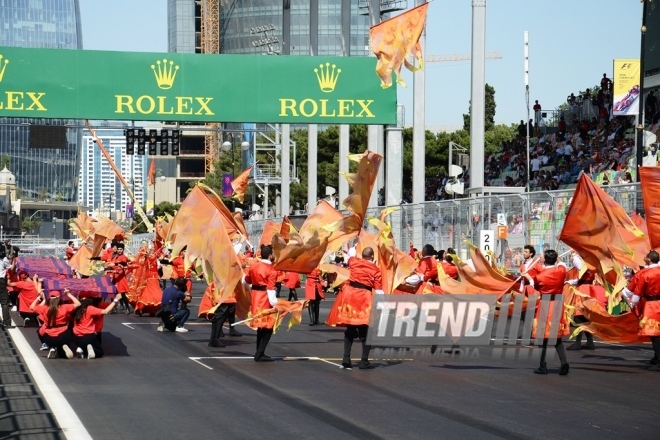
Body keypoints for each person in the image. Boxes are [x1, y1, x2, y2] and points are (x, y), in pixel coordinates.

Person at [521, 249, 569, 375]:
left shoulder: (540, 276)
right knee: (556, 336)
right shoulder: (561, 270)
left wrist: (527, 276)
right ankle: (564, 362)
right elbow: (562, 264)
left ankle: (543, 366)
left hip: (546, 304)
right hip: (558, 304)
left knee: (542, 336)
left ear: (545, 260)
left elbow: (535, 286)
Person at [334, 247, 383, 370]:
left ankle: (346, 358)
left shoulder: (353, 261)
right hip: (364, 298)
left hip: (351, 296)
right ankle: (364, 361)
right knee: (366, 331)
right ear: (372, 257)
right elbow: (379, 289)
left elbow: (350, 255)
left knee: (350, 329)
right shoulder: (376, 270)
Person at [245, 245, 279, 362]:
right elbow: (270, 289)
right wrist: (275, 303)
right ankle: (259, 353)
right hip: (264, 298)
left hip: (255, 296)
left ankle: (259, 352)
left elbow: (246, 280)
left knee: (261, 326)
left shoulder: (254, 266)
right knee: (268, 326)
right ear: (270, 255)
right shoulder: (271, 270)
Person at [629, 250, 660, 371]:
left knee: (655, 334)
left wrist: (632, 303)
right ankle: (656, 358)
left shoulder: (645, 273)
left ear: (648, 259)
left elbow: (638, 292)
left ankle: (659, 360)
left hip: (652, 305)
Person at [30, 289, 81, 359]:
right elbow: (78, 304)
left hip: (49, 336)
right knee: (62, 354)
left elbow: (31, 307)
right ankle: (63, 345)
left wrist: (38, 297)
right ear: (59, 298)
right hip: (63, 335)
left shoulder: (45, 308)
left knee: (41, 331)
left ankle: (51, 347)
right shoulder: (64, 307)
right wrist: (68, 294)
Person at [72, 294, 122, 358]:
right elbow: (105, 311)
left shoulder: (75, 308)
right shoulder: (90, 308)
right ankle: (92, 350)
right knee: (99, 351)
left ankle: (81, 348)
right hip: (88, 336)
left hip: (76, 338)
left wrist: (68, 294)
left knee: (84, 344)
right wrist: (116, 300)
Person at [207, 281, 243, 348]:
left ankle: (214, 338)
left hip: (225, 291)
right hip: (225, 292)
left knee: (221, 316)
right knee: (220, 316)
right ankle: (215, 339)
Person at [105, 243, 132, 314]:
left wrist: (115, 264)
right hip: (114, 277)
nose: (119, 250)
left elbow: (123, 263)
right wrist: (108, 268)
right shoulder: (115, 257)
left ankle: (127, 308)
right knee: (112, 293)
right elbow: (110, 264)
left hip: (121, 278)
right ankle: (114, 308)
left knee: (122, 294)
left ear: (123, 250)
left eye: (121, 249)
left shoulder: (124, 257)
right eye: (118, 249)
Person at [0, 245, 15, 329]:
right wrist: (13, 260)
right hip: (1, 281)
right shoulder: (4, 260)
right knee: (4, 303)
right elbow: (11, 268)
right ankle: (7, 322)